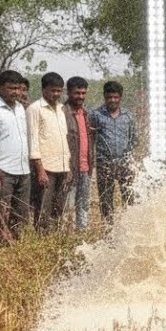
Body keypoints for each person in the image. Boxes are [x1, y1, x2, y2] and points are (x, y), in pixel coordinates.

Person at [0, 70, 32, 240]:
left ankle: (17, 247)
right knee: (0, 214)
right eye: (11, 88)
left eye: (18, 88)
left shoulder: (20, 109)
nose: (16, 92)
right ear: (0, 87)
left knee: (21, 214)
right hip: (3, 170)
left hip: (23, 170)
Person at [27, 72, 72, 232]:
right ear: (43, 89)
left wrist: (68, 168)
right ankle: (42, 238)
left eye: (59, 91)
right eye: (53, 90)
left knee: (59, 207)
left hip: (62, 166)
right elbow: (33, 140)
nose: (56, 94)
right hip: (46, 168)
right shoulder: (35, 109)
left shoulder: (61, 109)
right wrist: (40, 170)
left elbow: (64, 139)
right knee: (43, 209)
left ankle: (55, 237)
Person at [91, 81, 139, 224]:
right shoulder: (96, 115)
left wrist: (129, 158)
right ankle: (108, 232)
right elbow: (91, 138)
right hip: (104, 164)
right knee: (106, 200)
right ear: (105, 96)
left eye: (115, 97)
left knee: (129, 197)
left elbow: (134, 139)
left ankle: (131, 227)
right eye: (109, 97)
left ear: (120, 97)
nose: (112, 100)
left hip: (124, 163)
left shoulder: (128, 116)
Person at [63, 76, 94, 231]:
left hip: (85, 167)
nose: (80, 97)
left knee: (83, 204)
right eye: (77, 93)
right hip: (69, 168)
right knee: (67, 205)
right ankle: (66, 236)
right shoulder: (62, 113)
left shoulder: (85, 114)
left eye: (83, 93)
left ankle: (82, 235)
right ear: (68, 92)